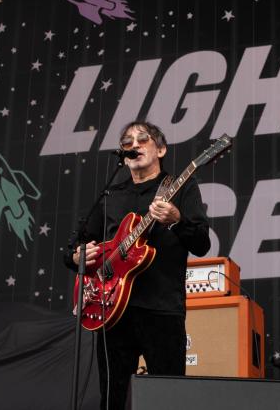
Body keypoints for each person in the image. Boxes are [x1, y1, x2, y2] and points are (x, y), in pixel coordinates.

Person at [64, 121, 211, 410]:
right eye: (127, 141)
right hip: (112, 310)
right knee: (112, 399)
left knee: (168, 399)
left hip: (161, 308)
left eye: (142, 139)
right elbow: (73, 249)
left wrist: (176, 220)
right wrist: (77, 257)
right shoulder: (111, 195)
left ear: (161, 149)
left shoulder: (179, 188)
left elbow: (201, 244)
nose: (134, 145)